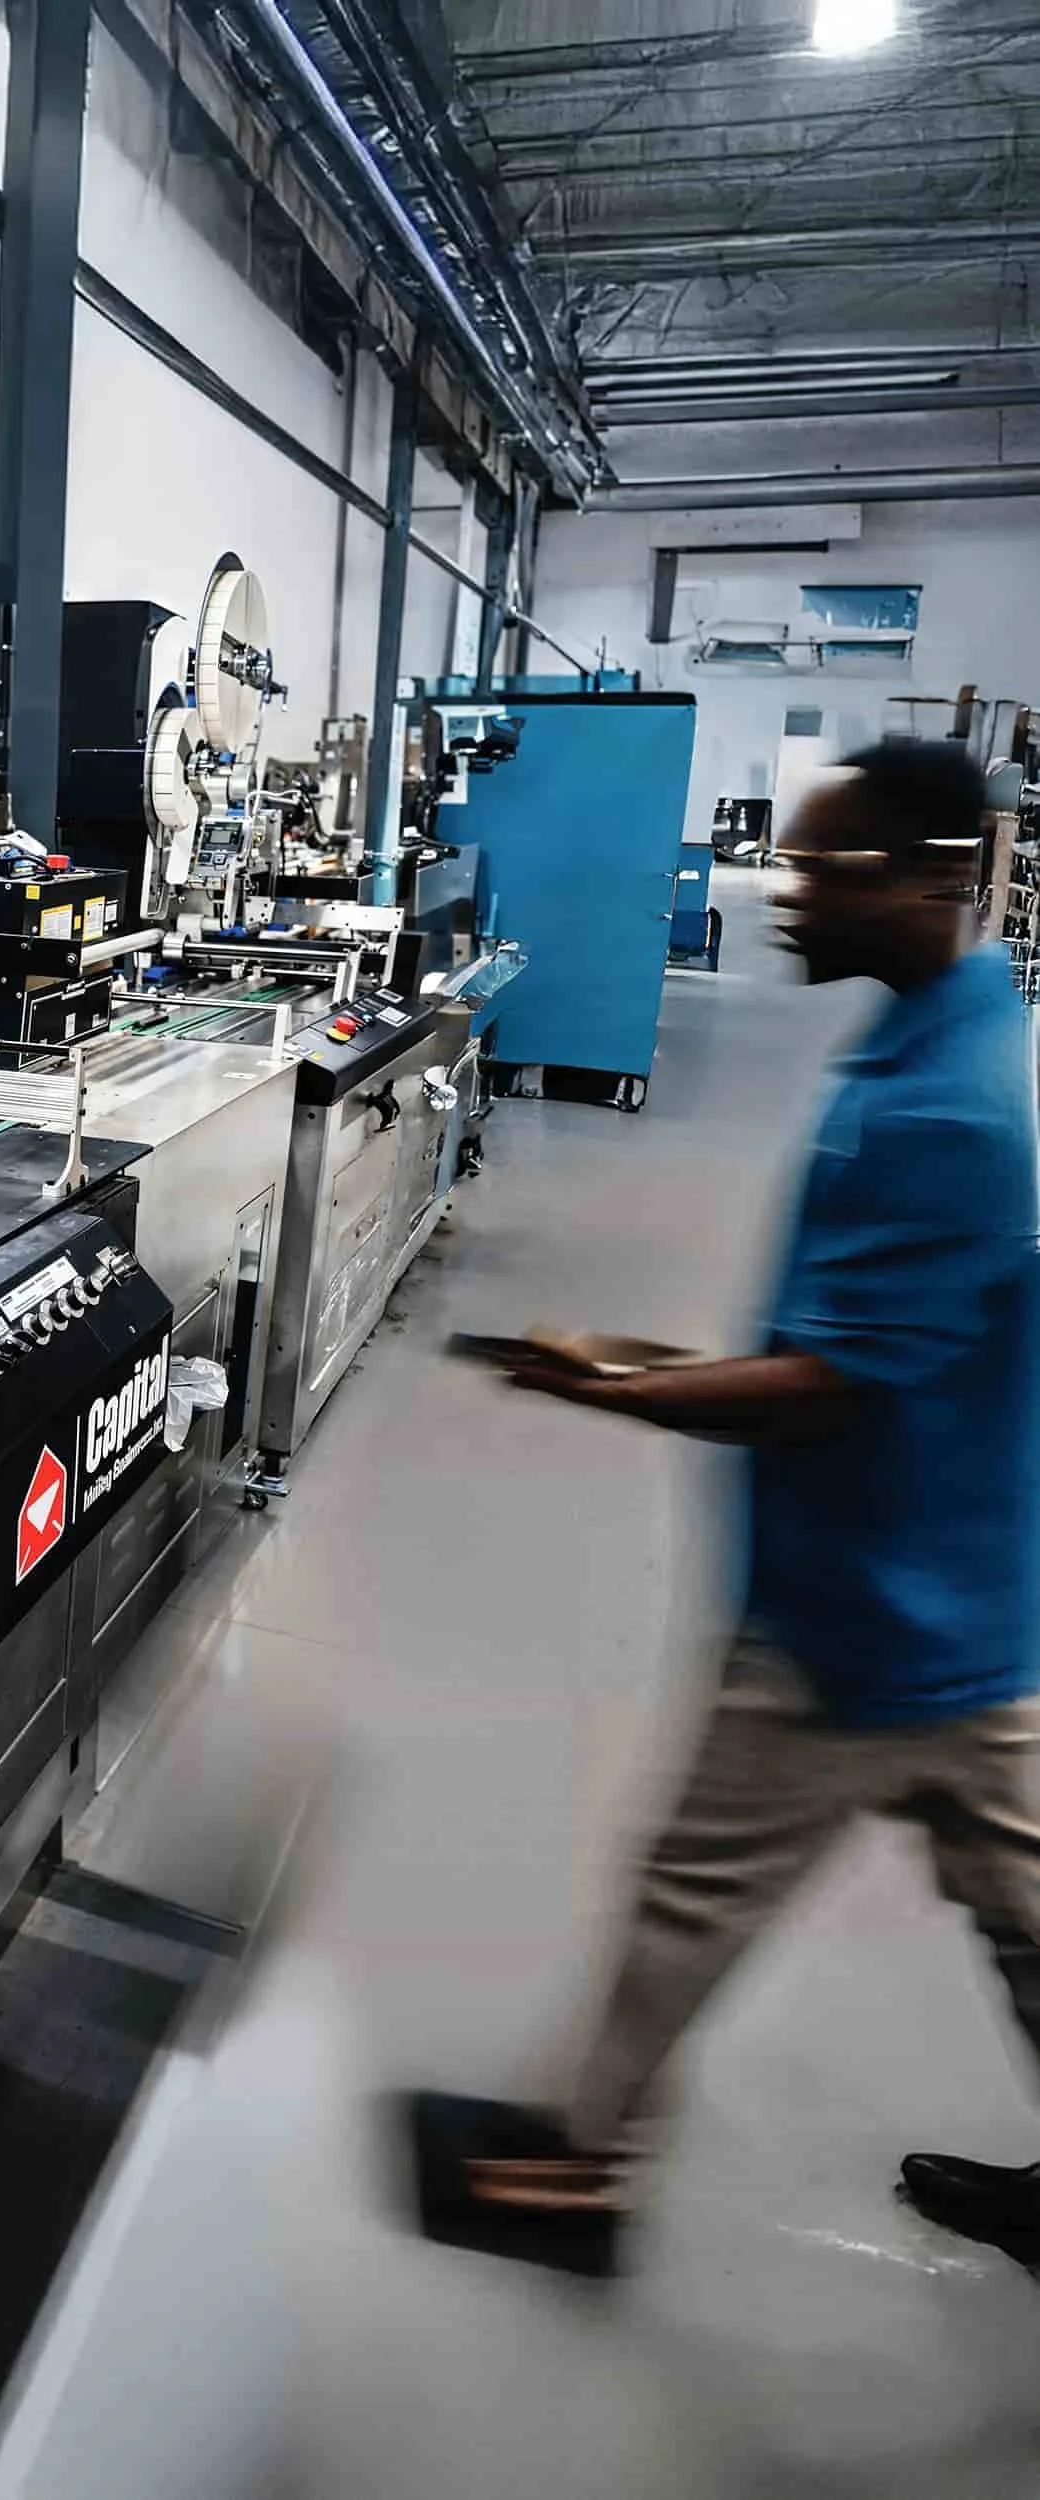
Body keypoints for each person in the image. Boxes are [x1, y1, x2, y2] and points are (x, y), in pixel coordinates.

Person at [410, 738, 1040, 2277]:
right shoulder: (942, 1037)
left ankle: (576, 2176)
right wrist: (643, 1359)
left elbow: (835, 1383)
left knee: (692, 1894)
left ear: (931, 881)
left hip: (869, 1614)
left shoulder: (951, 1106)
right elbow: (864, 1342)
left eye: (824, 868)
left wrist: (603, 1387)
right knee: (1025, 1921)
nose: (778, 892)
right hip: (966, 1586)